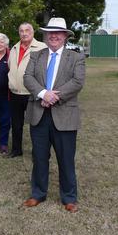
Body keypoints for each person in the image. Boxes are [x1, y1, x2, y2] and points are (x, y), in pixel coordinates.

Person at [22, 17, 85, 213]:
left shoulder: (76, 57)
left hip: (64, 117)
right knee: (39, 157)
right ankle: (38, 193)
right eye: (50, 32)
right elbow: (27, 77)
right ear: (46, 35)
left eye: (58, 32)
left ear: (65, 36)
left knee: (66, 158)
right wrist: (42, 94)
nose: (54, 35)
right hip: (39, 114)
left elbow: (77, 82)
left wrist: (53, 97)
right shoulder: (36, 55)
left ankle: (69, 197)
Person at [7, 22, 46, 158]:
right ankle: (16, 150)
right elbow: (11, 67)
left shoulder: (42, 47)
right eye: (21, 31)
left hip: (32, 94)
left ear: (33, 32)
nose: (24, 33)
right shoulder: (14, 48)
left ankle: (38, 152)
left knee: (35, 125)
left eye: (27, 30)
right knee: (16, 124)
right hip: (15, 93)